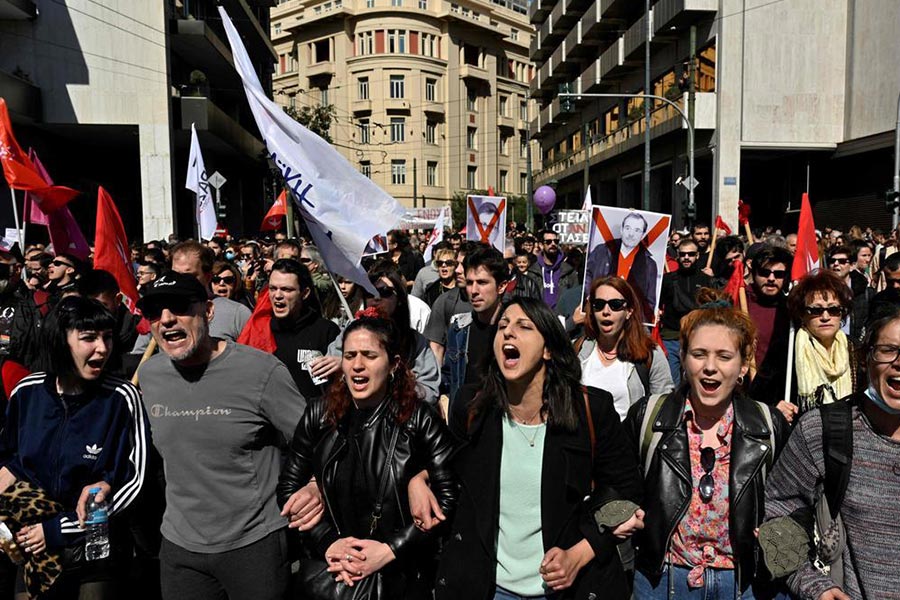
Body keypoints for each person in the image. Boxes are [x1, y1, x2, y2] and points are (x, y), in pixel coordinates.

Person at [434, 297, 644, 600]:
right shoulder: (471, 407)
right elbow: (446, 471)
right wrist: (420, 479)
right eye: (503, 326)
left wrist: (581, 553)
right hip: (489, 589)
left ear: (548, 349)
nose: (508, 333)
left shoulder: (589, 410)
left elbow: (627, 490)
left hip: (567, 590)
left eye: (523, 326)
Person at [137, 272, 310, 600]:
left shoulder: (261, 371)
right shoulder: (150, 374)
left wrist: (314, 486)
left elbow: (315, 440)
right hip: (180, 548)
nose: (167, 319)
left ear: (209, 311)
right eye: (154, 313)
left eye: (178, 308)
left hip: (252, 544)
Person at [277, 312, 458, 598]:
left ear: (394, 364)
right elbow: (288, 489)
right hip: (332, 575)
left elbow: (449, 497)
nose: (357, 366)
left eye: (369, 355)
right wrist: (328, 543)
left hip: (400, 577)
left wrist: (390, 550)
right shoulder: (320, 414)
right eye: (349, 356)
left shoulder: (419, 419)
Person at [626, 289, 790, 599]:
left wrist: (783, 534)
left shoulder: (768, 425)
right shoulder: (649, 416)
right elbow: (616, 482)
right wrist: (620, 511)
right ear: (684, 360)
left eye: (724, 356)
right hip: (662, 579)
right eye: (699, 354)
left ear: (743, 366)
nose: (709, 367)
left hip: (744, 583)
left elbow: (795, 500)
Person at [0, 296, 149, 598]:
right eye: (89, 338)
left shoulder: (123, 397)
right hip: (34, 547)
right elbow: (11, 462)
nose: (103, 348)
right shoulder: (27, 392)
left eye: (107, 337)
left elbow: (135, 481)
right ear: (59, 341)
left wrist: (59, 529)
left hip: (95, 549)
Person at [763, 289, 900, 600]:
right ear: (866, 358)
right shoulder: (823, 429)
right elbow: (774, 513)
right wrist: (813, 585)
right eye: (889, 350)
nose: (899, 363)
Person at [323, 262, 441, 404]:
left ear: (399, 299)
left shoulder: (415, 341)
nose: (376, 298)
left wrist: (392, 383)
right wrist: (343, 366)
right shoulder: (349, 334)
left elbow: (429, 390)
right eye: (369, 292)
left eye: (385, 292)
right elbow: (328, 375)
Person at [239, 259, 341, 399]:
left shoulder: (326, 331)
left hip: (314, 417)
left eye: (286, 289)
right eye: (273, 288)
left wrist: (343, 363)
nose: (278, 296)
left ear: (304, 293)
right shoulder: (258, 331)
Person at [579, 277, 673, 420]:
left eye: (615, 305)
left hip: (628, 440)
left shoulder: (650, 353)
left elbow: (663, 408)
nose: (606, 311)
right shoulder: (578, 350)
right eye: (599, 304)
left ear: (629, 311)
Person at [781, 270, 858, 419]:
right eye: (816, 310)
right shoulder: (787, 350)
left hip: (848, 433)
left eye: (833, 309)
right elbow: (758, 398)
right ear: (802, 314)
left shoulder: (855, 349)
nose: (825, 317)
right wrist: (775, 410)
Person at [440, 245, 509, 404]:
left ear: (501, 286)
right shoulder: (458, 328)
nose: (474, 290)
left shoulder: (514, 331)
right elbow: (450, 376)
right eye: (470, 283)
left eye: (482, 282)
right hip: (464, 421)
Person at [584, 212, 659, 322]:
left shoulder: (650, 264)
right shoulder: (602, 251)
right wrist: (591, 295)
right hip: (601, 315)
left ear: (642, 235)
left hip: (632, 321)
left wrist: (641, 321)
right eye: (628, 228)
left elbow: (650, 300)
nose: (631, 234)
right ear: (621, 230)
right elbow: (587, 275)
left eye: (637, 230)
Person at [658, 239, 714, 385]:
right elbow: (657, 305)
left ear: (697, 255)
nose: (687, 257)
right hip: (671, 337)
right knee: (671, 382)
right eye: (683, 254)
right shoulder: (668, 280)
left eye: (690, 254)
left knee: (696, 381)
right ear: (678, 255)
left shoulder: (707, 281)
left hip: (699, 338)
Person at [170, 241, 251, 342]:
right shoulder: (164, 312)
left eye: (188, 276)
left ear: (207, 277)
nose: (179, 281)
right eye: (175, 275)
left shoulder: (238, 313)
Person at [827, 245, 873, 345]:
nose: (836, 264)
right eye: (832, 261)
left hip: (855, 346)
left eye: (842, 261)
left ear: (852, 266)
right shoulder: (821, 291)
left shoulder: (865, 292)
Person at [528, 229, 578, 310]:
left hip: (561, 318)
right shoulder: (533, 271)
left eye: (556, 241)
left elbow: (574, 297)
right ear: (541, 245)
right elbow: (528, 299)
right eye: (548, 242)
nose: (553, 244)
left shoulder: (568, 271)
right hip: (540, 317)